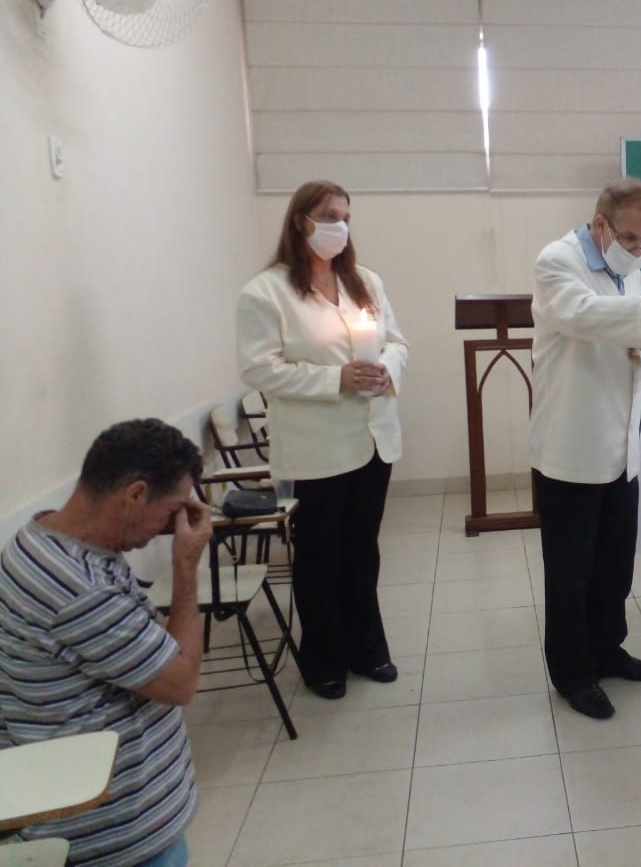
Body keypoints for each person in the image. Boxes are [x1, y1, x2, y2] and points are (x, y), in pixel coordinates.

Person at [530, 176, 641, 720]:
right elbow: (582, 315)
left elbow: (636, 341)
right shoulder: (556, 261)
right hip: (570, 443)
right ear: (600, 223)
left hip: (621, 443)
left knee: (613, 563)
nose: (638, 250)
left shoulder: (631, 271)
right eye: (630, 238)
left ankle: (607, 651)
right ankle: (572, 672)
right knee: (571, 571)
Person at [0, 419, 211, 867]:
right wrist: (186, 567)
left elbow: (145, 644)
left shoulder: (39, 538)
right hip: (119, 838)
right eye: (171, 510)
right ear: (135, 494)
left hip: (116, 818)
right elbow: (181, 681)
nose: (170, 527)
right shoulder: (79, 589)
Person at [237, 180, 409, 700]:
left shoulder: (365, 282)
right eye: (330, 216)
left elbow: (397, 341)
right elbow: (259, 369)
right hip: (316, 447)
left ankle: (367, 648)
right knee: (319, 555)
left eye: (346, 217)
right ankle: (323, 660)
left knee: (362, 550)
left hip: (373, 437)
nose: (340, 226)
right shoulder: (266, 292)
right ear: (301, 221)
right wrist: (336, 379)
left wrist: (387, 368)